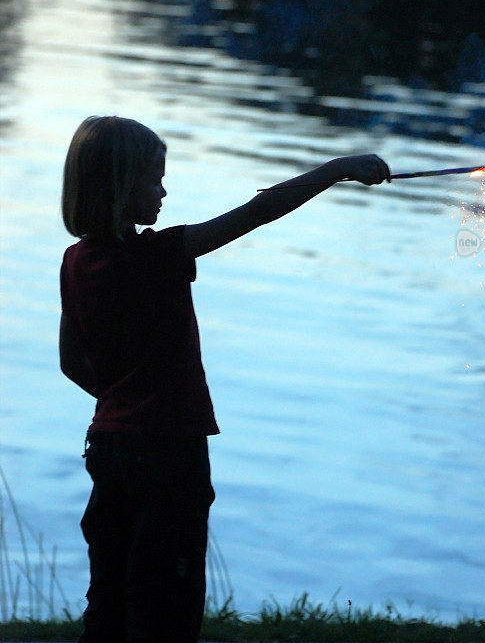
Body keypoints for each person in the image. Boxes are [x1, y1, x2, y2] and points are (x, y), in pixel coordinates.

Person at [59, 115, 390, 643]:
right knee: (166, 600)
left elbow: (70, 363)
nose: (164, 191)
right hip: (169, 452)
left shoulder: (75, 264)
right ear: (121, 187)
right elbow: (256, 213)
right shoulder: (160, 255)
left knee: (110, 596)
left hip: (109, 445)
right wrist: (337, 170)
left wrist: (125, 401)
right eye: (154, 180)